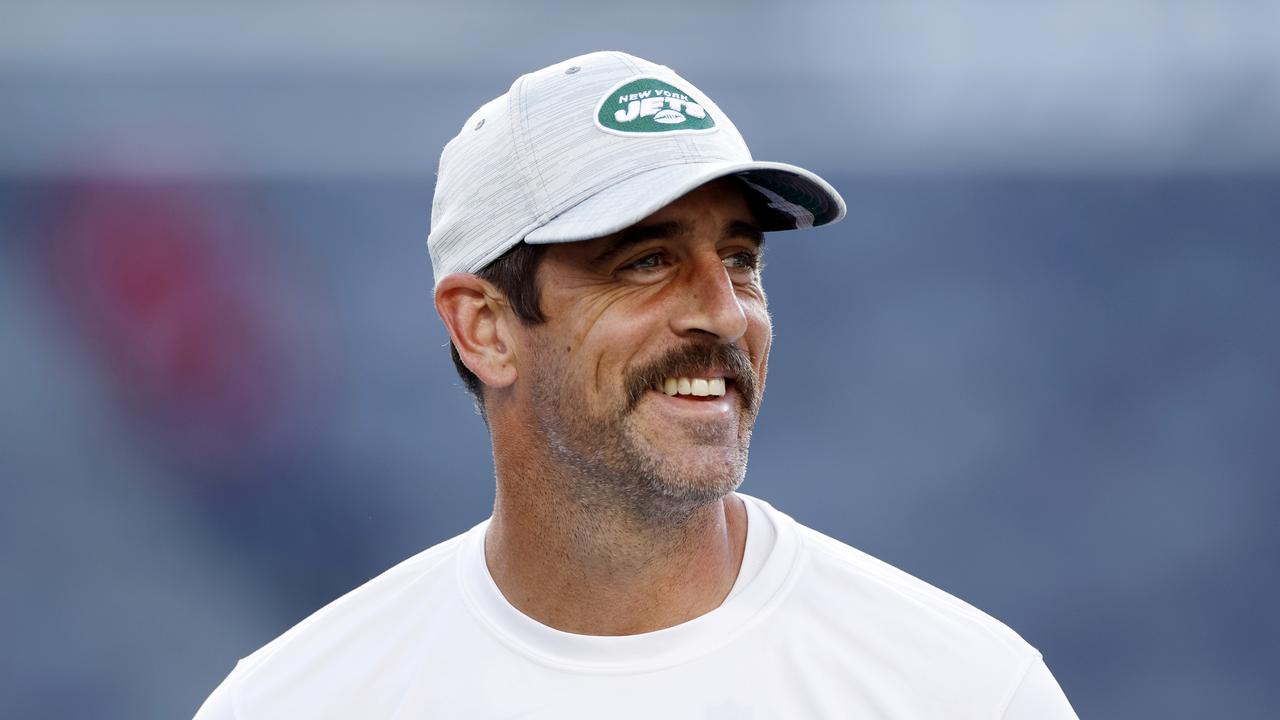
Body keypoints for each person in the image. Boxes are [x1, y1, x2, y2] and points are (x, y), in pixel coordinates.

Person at [195, 51, 1078, 719]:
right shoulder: (292, 703)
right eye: (647, 260)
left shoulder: (964, 692)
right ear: (484, 328)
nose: (726, 314)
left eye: (740, 259)